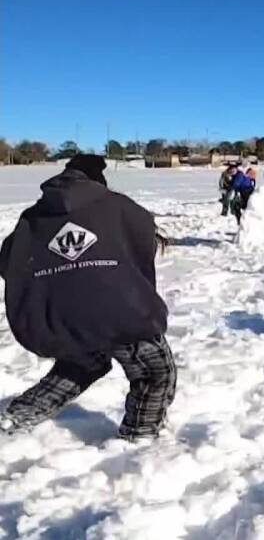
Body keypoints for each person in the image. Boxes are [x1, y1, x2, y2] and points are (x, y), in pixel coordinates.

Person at [0, 155, 175, 441]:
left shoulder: (34, 217)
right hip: (119, 313)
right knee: (155, 372)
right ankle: (139, 438)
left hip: (64, 317)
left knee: (82, 363)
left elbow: (9, 260)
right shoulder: (115, 205)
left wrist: (57, 282)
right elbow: (142, 231)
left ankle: (16, 417)